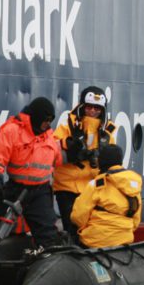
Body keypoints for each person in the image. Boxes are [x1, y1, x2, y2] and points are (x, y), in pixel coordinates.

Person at [0, 97, 62, 249]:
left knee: (48, 236)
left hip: (41, 192)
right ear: (37, 117)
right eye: (45, 120)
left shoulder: (48, 135)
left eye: (50, 121)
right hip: (16, 189)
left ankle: (46, 263)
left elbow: (58, 159)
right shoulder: (12, 130)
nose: (48, 124)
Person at [53, 86, 117, 236]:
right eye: (89, 107)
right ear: (82, 106)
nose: (93, 111)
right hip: (67, 187)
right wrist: (70, 150)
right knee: (72, 228)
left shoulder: (107, 134)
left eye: (97, 108)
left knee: (89, 230)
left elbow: (113, 161)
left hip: (92, 188)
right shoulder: (66, 128)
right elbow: (50, 152)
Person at [70, 144, 144, 248]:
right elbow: (136, 220)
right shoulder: (133, 186)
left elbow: (78, 216)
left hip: (96, 241)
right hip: (124, 240)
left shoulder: (96, 184)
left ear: (102, 161)